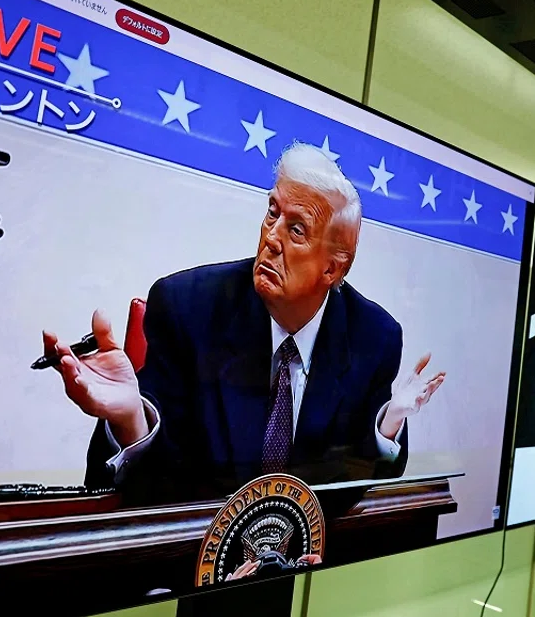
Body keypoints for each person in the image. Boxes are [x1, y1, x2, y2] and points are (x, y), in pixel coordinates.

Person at [43, 143, 446, 504]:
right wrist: (132, 418)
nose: (271, 238)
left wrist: (389, 424)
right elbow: (153, 488)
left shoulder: (372, 338)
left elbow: (355, 481)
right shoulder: (188, 308)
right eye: (272, 213)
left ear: (332, 269)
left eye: (297, 230)